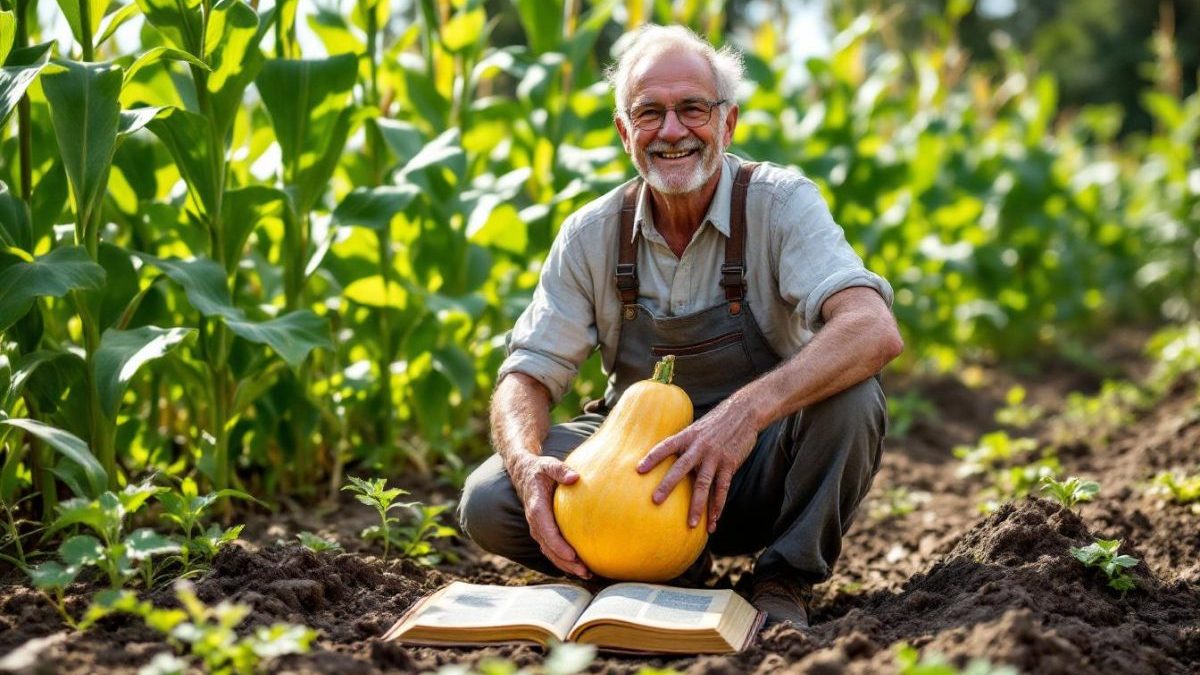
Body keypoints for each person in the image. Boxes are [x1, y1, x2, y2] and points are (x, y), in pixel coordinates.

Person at [457, 24, 903, 627]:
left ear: (728, 123)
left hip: (759, 470)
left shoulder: (779, 204)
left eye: (693, 109)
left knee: (853, 397)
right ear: (625, 133)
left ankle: (784, 577)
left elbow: (872, 328)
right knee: (490, 499)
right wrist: (526, 465)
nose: (672, 131)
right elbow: (527, 375)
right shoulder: (591, 234)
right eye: (649, 113)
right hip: (638, 478)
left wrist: (742, 415)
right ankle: (658, 569)